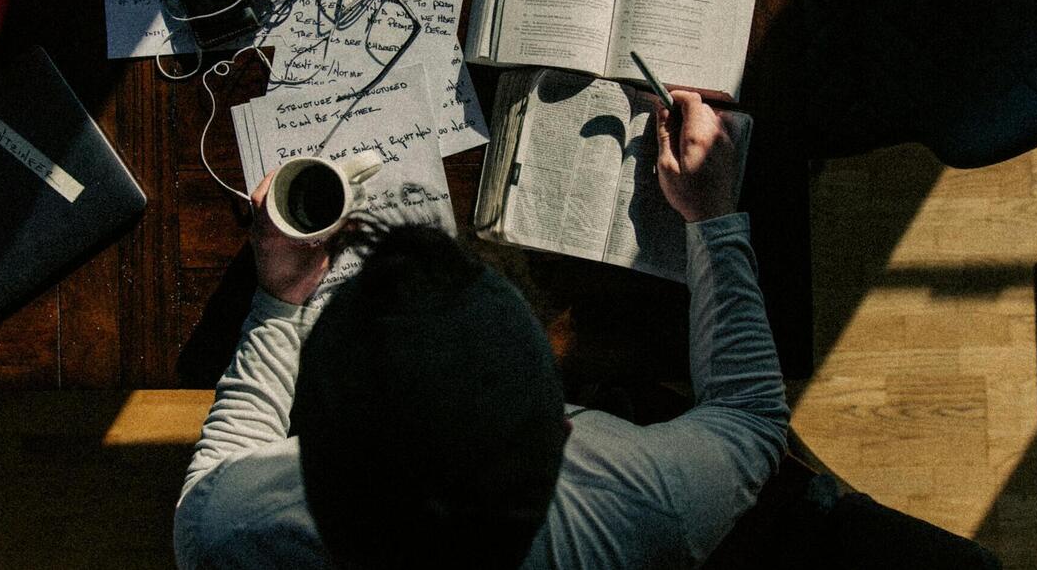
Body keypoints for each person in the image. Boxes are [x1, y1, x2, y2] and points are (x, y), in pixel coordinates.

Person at [173, 91, 789, 568]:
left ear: (311, 450)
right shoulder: (641, 513)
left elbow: (223, 465)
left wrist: (281, 302)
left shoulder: (227, 535)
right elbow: (751, 416)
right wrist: (713, 217)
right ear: (562, 431)